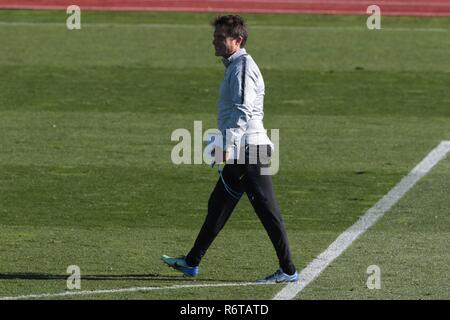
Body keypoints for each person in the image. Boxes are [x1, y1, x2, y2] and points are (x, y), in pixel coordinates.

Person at [162, 15, 298, 283]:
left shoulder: (243, 67)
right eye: (214, 36)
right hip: (242, 151)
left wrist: (227, 144)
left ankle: (288, 270)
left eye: (220, 37)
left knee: (268, 212)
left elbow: (242, 109)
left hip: (251, 152)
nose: (214, 41)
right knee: (218, 204)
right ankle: (191, 262)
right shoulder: (234, 66)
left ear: (238, 40)